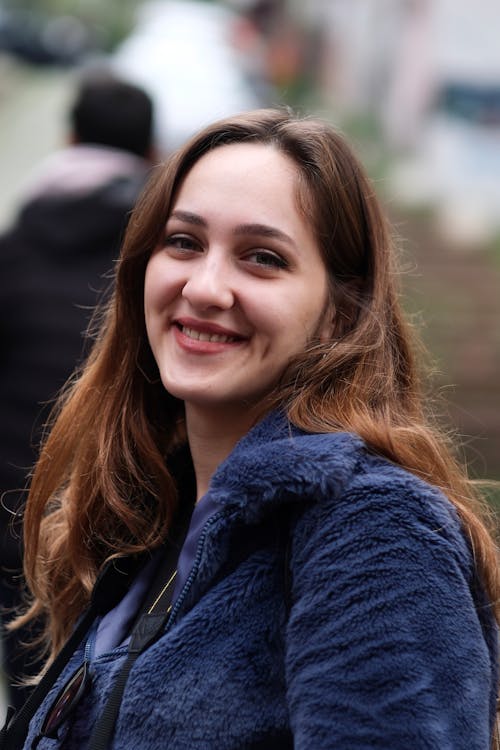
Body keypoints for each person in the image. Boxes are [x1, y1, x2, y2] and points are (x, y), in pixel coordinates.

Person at [2, 108, 498, 749]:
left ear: (337, 315)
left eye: (261, 258)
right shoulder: (157, 523)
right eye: (183, 242)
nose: (206, 287)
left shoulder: (375, 531)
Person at [0, 71, 155, 711]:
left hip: (15, 508)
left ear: (68, 137)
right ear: (150, 154)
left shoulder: (15, 245)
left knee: (33, 694)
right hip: (131, 505)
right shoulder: (161, 254)